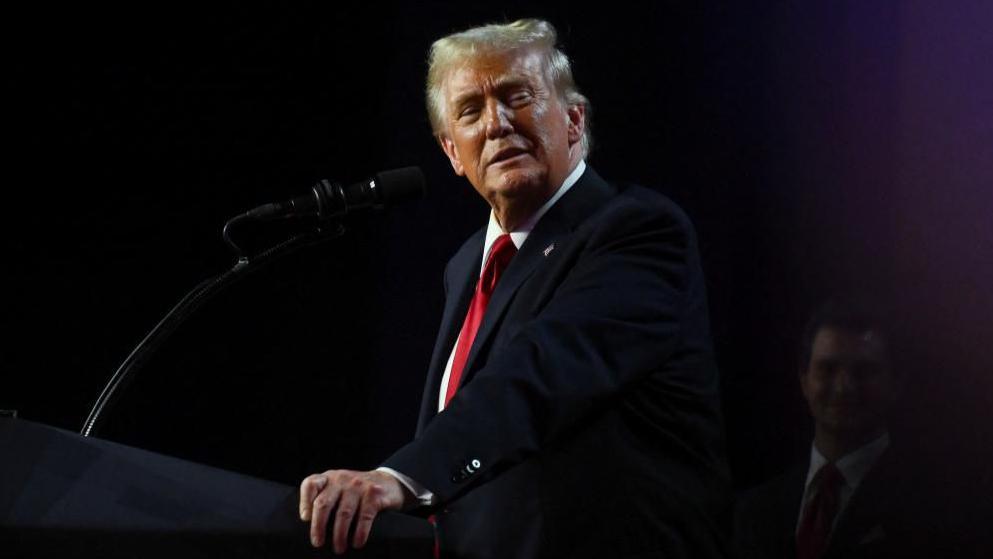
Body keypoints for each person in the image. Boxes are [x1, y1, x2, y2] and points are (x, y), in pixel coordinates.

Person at [300, 19, 729, 558]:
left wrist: (403, 476)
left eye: (516, 96)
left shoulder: (635, 230)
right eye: (469, 112)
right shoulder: (465, 267)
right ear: (452, 152)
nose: (496, 124)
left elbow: (539, 373)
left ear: (574, 120)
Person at [733, 298, 932, 559]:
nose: (843, 387)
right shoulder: (754, 510)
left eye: (863, 371)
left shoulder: (932, 506)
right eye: (827, 369)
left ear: (896, 383)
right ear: (803, 380)